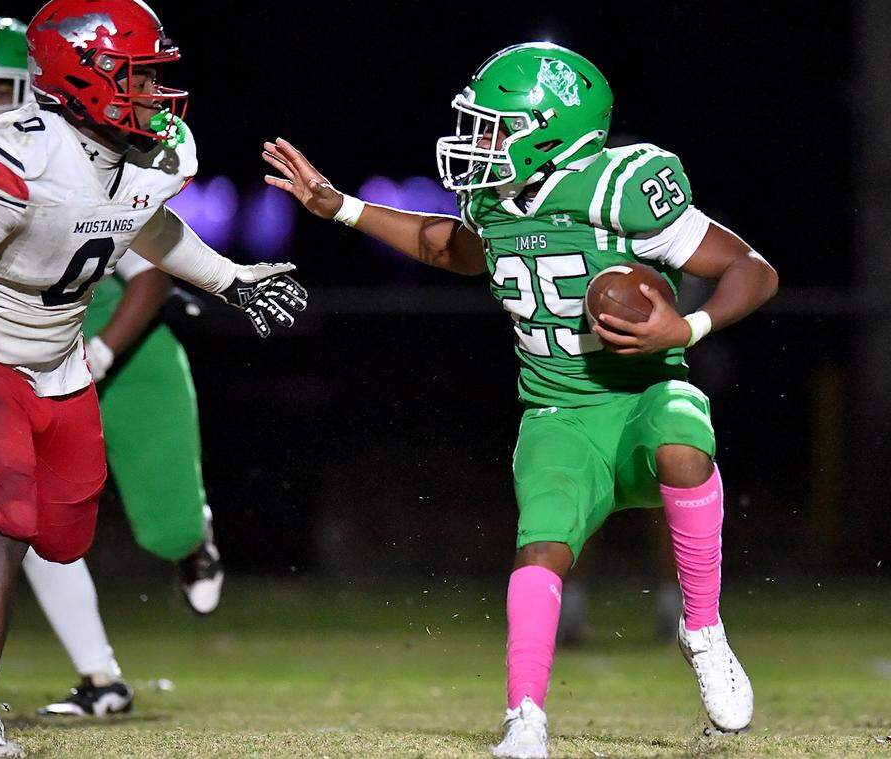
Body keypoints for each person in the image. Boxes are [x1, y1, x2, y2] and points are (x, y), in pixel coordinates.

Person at [264, 43, 776, 758]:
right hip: (558, 411)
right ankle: (525, 717)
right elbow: (447, 248)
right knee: (541, 546)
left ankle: (704, 631)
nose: (480, 142)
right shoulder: (495, 200)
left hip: (644, 393)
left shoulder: (621, 185)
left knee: (684, 438)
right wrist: (340, 206)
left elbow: (753, 268)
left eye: (498, 126)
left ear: (553, 131)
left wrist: (685, 325)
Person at [0, 1, 306, 755]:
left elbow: (140, 220)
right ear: (85, 77)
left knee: (63, 535)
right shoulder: (28, 155)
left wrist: (231, 280)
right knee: (3, 521)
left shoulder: (149, 155)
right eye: (139, 76)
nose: (155, 93)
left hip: (61, 366)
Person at [0, 16, 225, 721]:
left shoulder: (81, 154)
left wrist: (100, 351)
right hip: (9, 352)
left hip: (112, 337)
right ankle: (95, 675)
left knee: (164, 528)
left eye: (0, 91)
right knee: (7, 511)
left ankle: (195, 543)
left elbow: (152, 265)